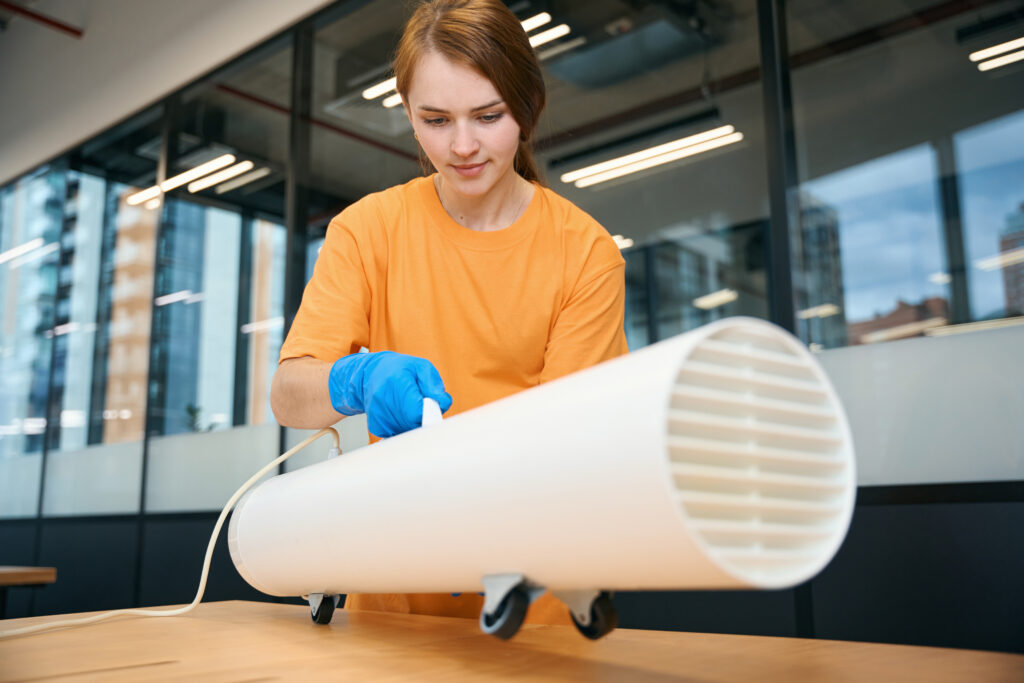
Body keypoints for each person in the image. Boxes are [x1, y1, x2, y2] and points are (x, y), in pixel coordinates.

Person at [270, 0, 628, 625]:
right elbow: (288, 394)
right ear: (408, 116)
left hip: (532, 609)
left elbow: (569, 446)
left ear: (526, 108)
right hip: (394, 599)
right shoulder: (368, 231)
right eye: (435, 120)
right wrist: (353, 380)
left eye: (487, 116)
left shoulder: (585, 254)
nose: (462, 146)